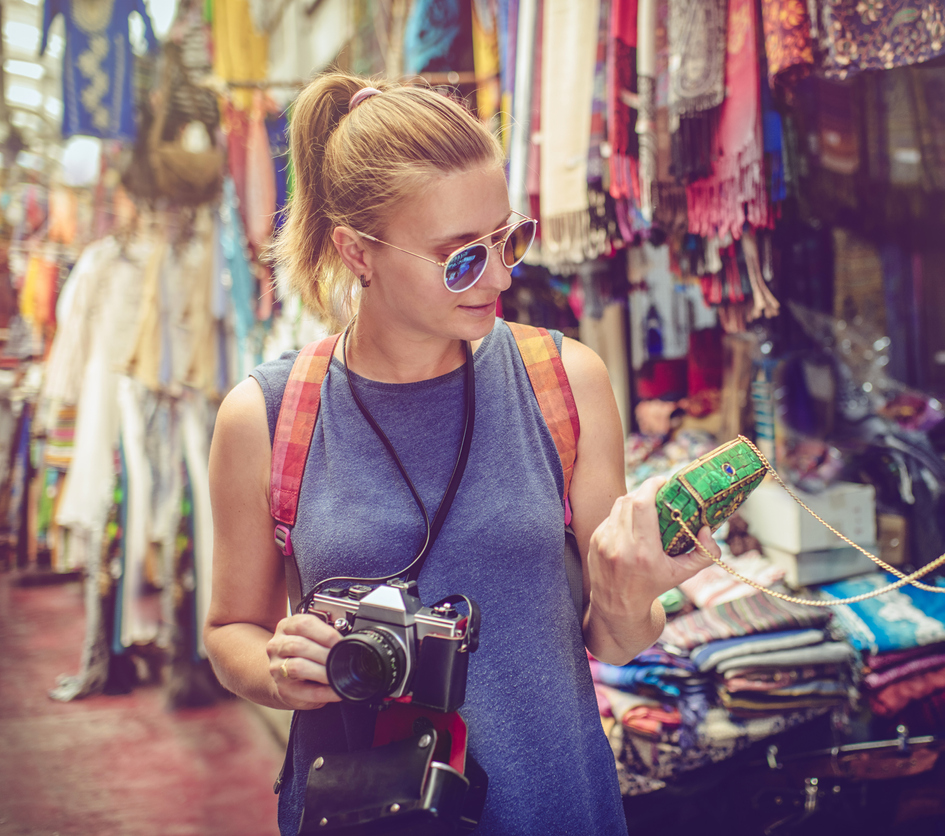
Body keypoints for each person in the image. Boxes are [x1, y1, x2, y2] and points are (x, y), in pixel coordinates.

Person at [203, 72, 720, 835]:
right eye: (459, 259)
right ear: (357, 251)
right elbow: (228, 633)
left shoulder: (564, 381)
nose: (503, 276)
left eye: (508, 239)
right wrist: (281, 669)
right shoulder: (270, 417)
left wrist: (632, 589)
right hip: (363, 809)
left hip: (554, 803)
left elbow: (616, 641)